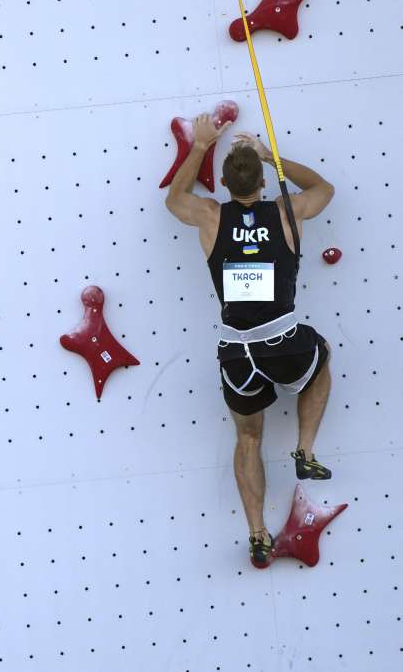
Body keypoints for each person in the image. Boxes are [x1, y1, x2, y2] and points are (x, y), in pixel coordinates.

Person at [164, 114, 336, 566]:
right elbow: (324, 190)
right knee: (320, 356)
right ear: (263, 180)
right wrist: (273, 158)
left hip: (236, 351)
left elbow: (174, 200)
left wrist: (200, 145)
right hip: (283, 340)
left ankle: (257, 533)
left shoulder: (209, 214)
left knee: (247, 437)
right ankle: (305, 449)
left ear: (221, 183)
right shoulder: (286, 211)